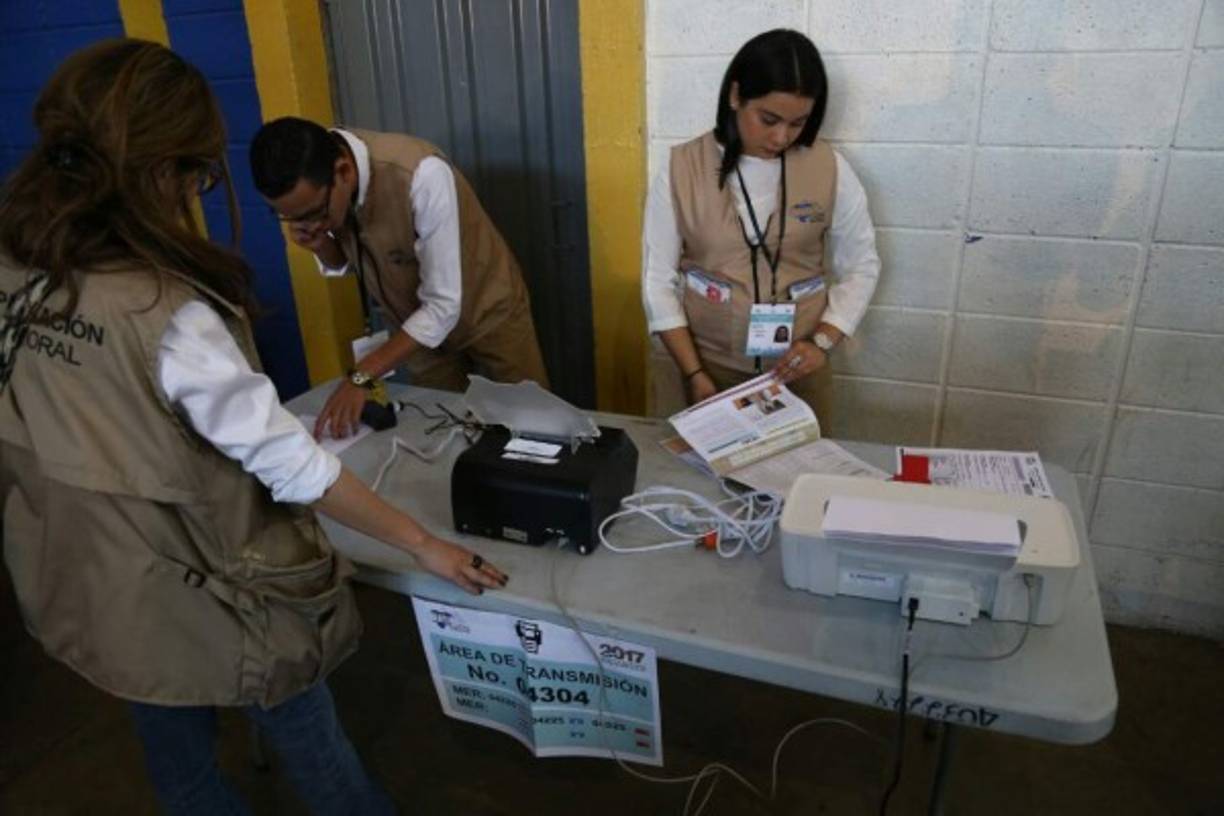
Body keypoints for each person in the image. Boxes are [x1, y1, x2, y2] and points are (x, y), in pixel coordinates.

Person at [0, 39, 508, 815]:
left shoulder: (16, 270)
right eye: (197, 178)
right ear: (164, 172)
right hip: (209, 586)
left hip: (92, 580)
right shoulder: (162, 312)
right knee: (314, 748)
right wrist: (422, 544)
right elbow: (295, 468)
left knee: (179, 764)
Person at [642, 29, 880, 433]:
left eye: (798, 123)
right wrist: (693, 372)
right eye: (768, 119)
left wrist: (822, 342)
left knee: (805, 470)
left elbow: (862, 265)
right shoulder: (681, 169)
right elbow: (656, 279)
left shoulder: (829, 167)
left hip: (798, 370)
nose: (781, 137)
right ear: (736, 95)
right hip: (708, 370)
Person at [250, 117, 549, 440]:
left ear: (344, 172)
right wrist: (320, 244)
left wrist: (362, 376)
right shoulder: (320, 186)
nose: (308, 224)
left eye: (314, 214)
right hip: (416, 328)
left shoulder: (421, 174)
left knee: (533, 429)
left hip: (487, 311)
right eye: (289, 217)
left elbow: (443, 307)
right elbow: (347, 264)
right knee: (443, 430)